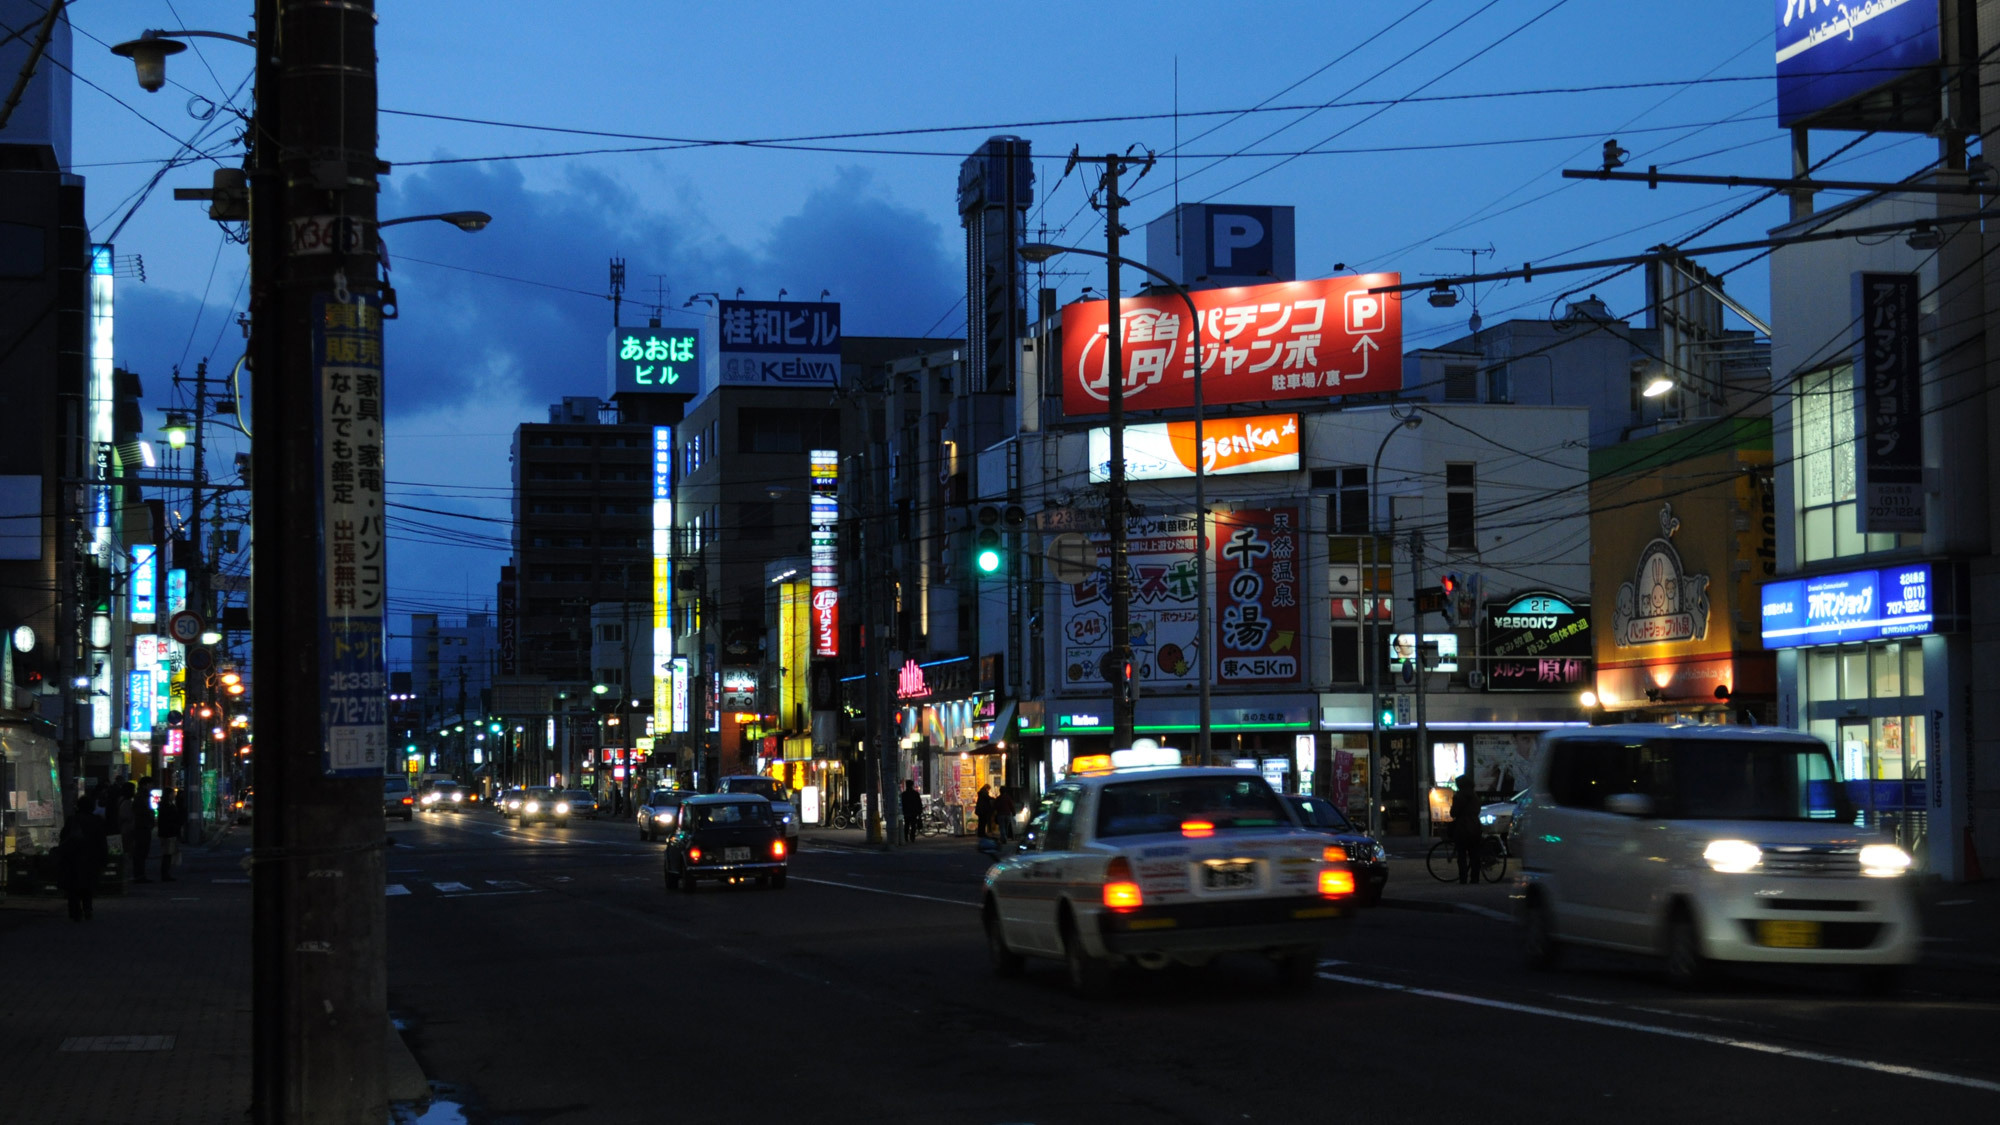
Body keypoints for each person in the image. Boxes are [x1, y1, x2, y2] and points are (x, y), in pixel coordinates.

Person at [59, 793, 110, 921]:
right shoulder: (96, 821)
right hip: (91, 858)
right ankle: (88, 908)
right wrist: (104, 858)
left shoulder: (72, 820)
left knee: (73, 885)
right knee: (88, 884)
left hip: (73, 858)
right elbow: (102, 842)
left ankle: (75, 911)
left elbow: (63, 837)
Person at [1450, 771, 1483, 884]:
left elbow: (1453, 813)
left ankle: (1463, 878)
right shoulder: (1475, 796)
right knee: (1474, 854)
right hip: (1475, 826)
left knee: (1462, 854)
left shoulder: (1458, 796)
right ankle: (1475, 878)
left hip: (1462, 827)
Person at [127, 777, 156, 883]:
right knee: (141, 851)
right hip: (142, 827)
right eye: (150, 784)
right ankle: (139, 875)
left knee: (141, 852)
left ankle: (139, 874)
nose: (151, 787)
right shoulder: (141, 797)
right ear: (145, 785)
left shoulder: (141, 796)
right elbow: (142, 812)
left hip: (142, 826)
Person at [156, 788, 188, 882]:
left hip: (168, 831)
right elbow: (170, 818)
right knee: (167, 853)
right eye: (172, 794)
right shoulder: (166, 805)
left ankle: (166, 873)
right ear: (168, 795)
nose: (174, 795)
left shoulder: (167, 804)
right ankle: (165, 874)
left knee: (168, 853)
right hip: (168, 832)